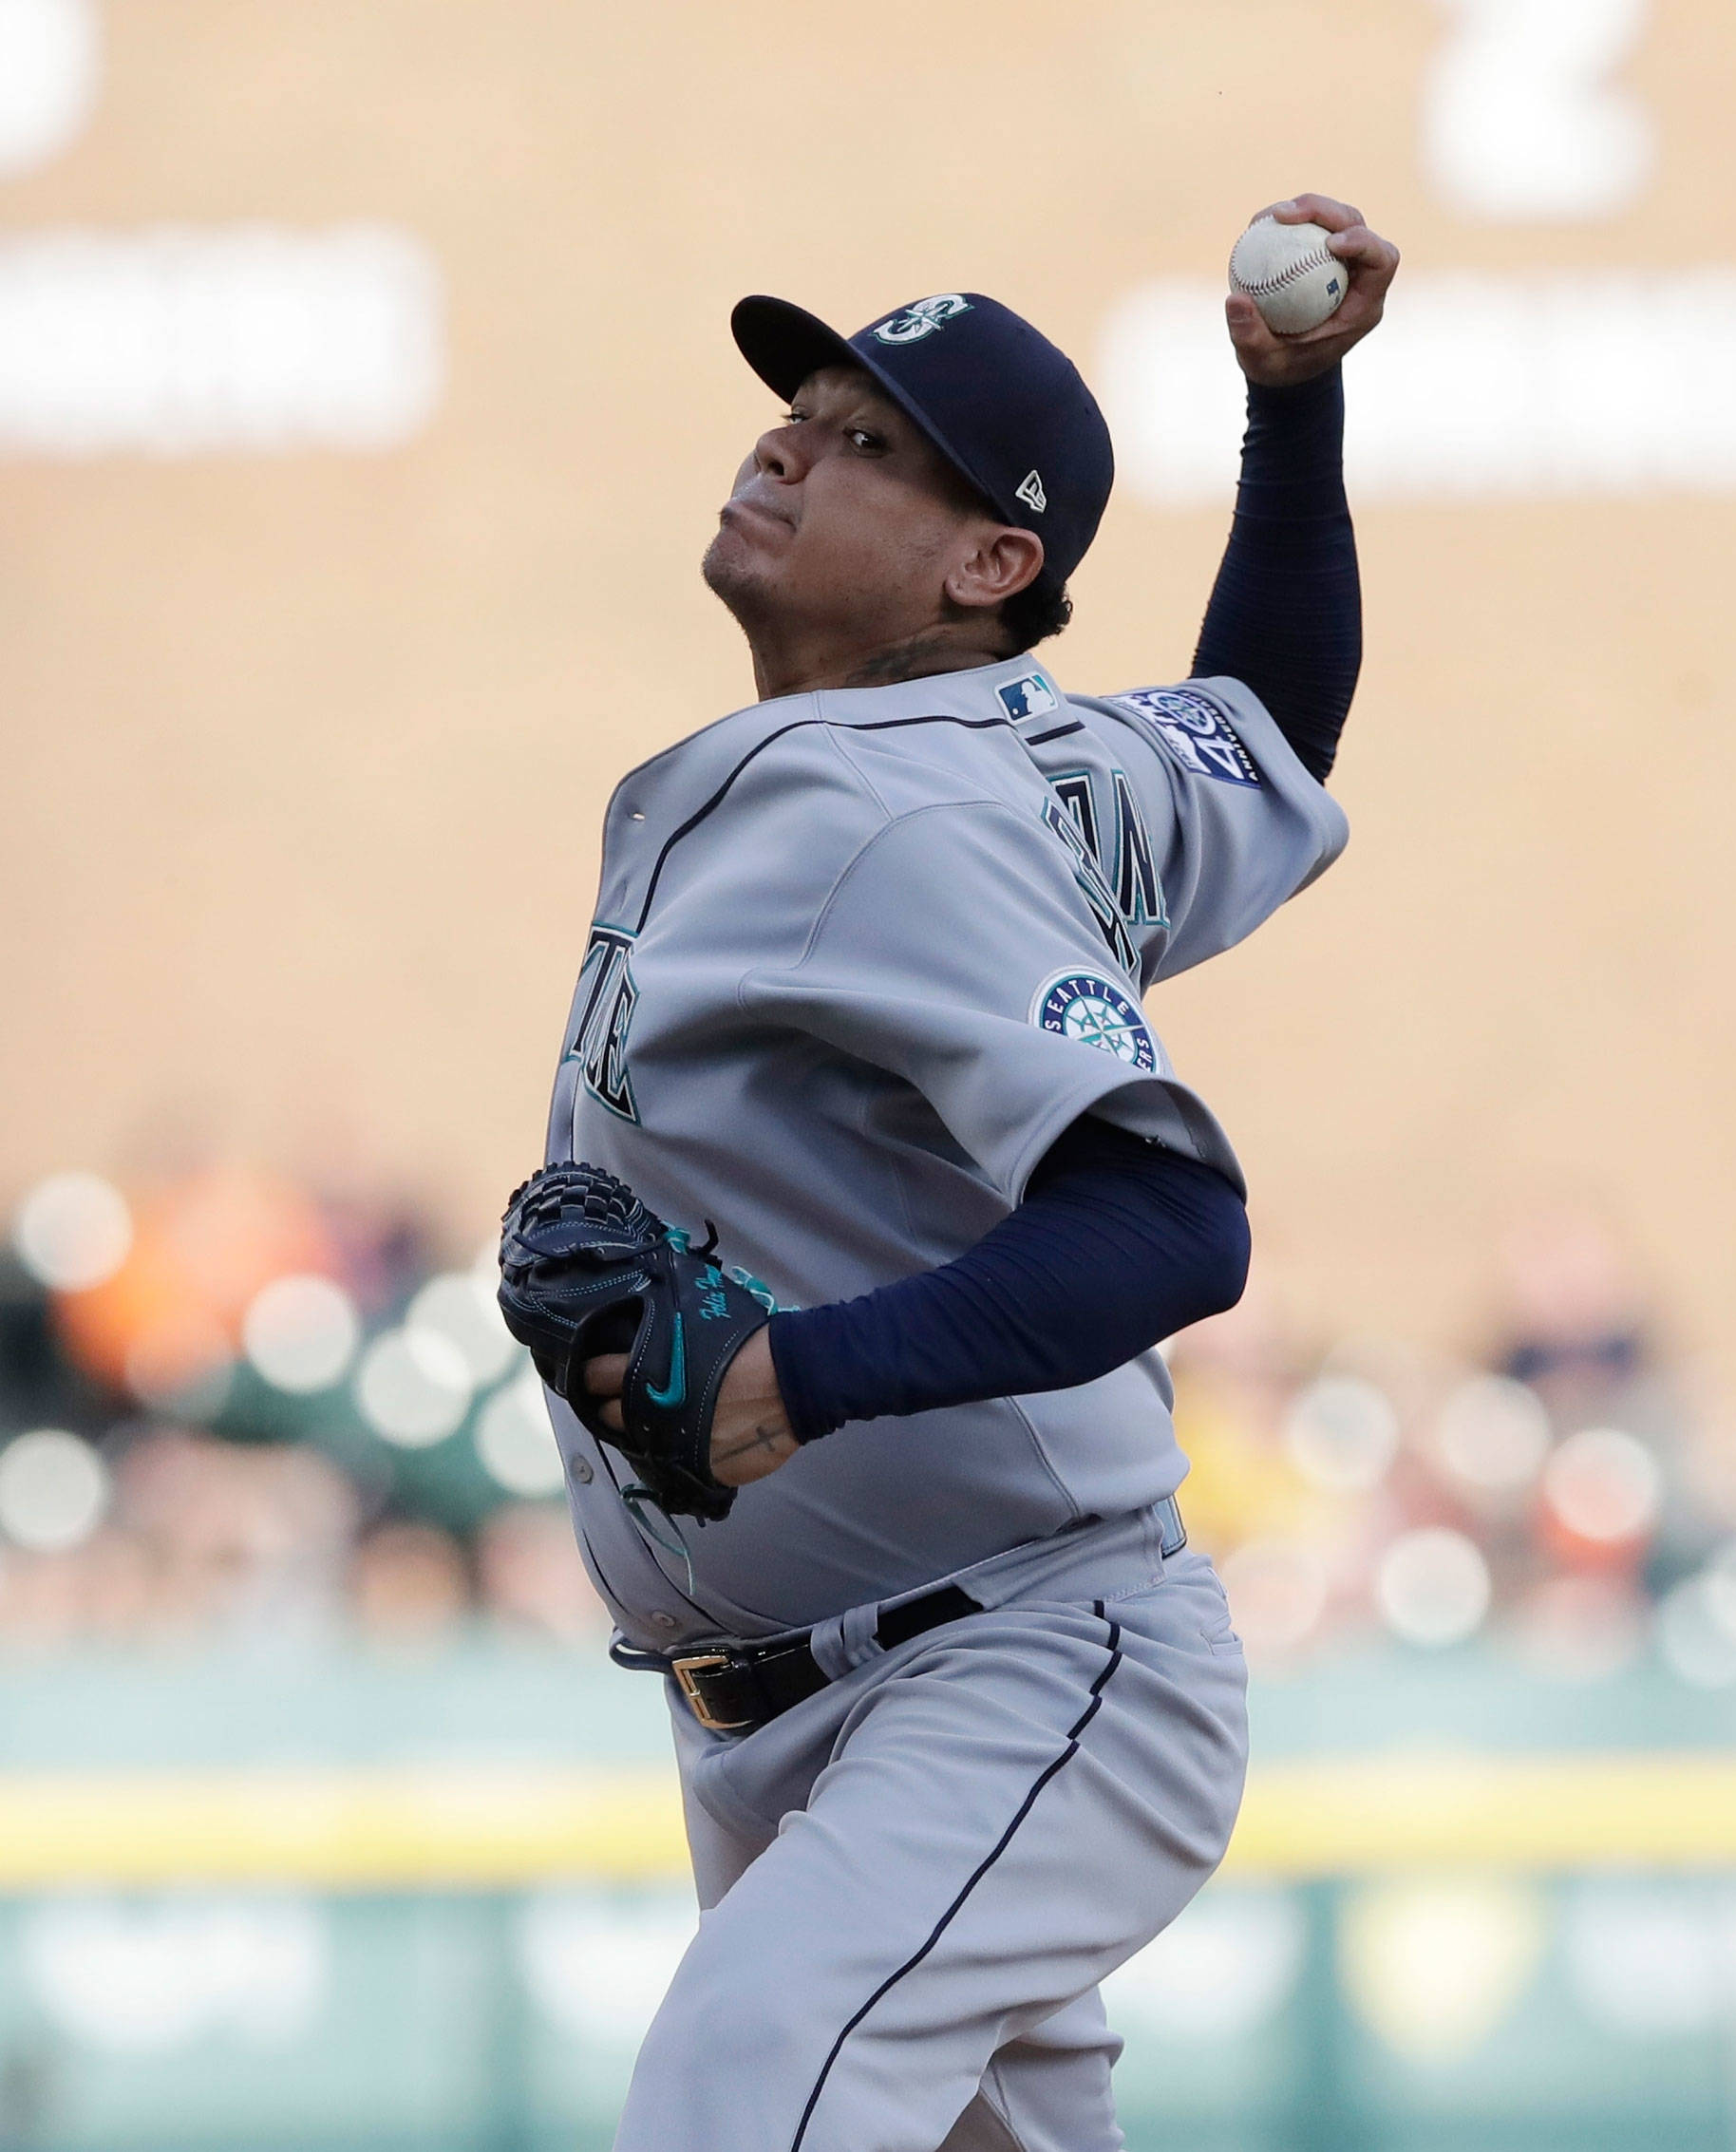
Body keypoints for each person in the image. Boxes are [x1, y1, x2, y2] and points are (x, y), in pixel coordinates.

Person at [534, 192, 1397, 2152]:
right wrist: (1295, 416)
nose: (784, 446)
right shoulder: (1032, 761)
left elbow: (1172, 1220)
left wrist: (788, 1377)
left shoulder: (907, 820)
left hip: (1012, 1662)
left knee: (739, 2091)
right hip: (792, 1703)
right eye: (801, 412)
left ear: (991, 561)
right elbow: (1265, 730)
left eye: (866, 447)